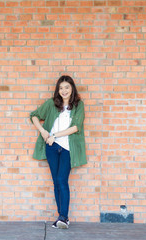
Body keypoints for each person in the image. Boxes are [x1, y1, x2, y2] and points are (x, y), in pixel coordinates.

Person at [30, 75, 87, 229]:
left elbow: (76, 127)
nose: (64, 91)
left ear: (72, 89)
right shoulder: (51, 104)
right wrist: (43, 131)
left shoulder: (78, 105)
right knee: (56, 181)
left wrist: (54, 135)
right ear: (58, 90)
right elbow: (34, 115)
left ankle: (63, 217)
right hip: (52, 147)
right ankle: (62, 217)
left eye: (67, 87)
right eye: (61, 88)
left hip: (68, 147)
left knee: (62, 179)